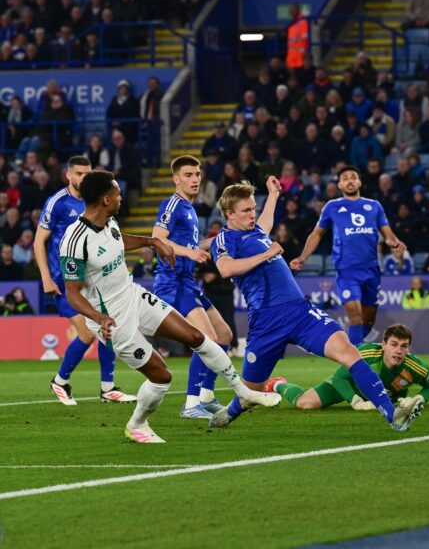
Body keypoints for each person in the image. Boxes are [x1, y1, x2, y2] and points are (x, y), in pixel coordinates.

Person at [59, 170, 280, 444]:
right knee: (162, 376)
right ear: (105, 199)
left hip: (133, 295)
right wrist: (98, 317)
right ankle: (137, 424)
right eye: (117, 193)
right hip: (111, 320)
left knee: (197, 337)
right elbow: (72, 294)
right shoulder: (75, 240)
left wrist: (152, 241)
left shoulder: (109, 221)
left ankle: (243, 392)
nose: (121, 196)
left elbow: (118, 240)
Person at [208, 179, 422, 433]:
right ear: (230, 214)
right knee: (249, 391)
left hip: (300, 312)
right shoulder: (224, 238)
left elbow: (265, 222)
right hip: (266, 322)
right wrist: (267, 254)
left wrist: (274, 195)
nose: (252, 214)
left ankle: (391, 414)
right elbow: (225, 268)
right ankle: (227, 414)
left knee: (348, 351)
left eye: (254, 208)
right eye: (246, 210)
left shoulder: (255, 231)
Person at [33, 155, 135, 405]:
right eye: (78, 173)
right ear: (68, 175)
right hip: (66, 281)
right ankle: (60, 381)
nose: (83, 177)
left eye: (87, 173)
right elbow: (39, 241)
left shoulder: (98, 201)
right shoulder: (57, 202)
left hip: (95, 279)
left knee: (106, 328)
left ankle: (108, 388)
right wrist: (46, 277)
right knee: (88, 333)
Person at [152, 155, 236, 419]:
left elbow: (189, 246)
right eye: (188, 175)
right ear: (175, 179)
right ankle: (191, 404)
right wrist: (190, 254)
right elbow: (157, 238)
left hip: (189, 282)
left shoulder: (191, 209)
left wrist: (213, 241)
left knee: (224, 336)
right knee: (207, 340)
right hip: (172, 281)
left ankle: (207, 396)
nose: (195, 179)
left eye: (198, 174)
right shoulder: (173, 204)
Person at [291, 165, 407, 345]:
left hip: (371, 270)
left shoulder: (374, 206)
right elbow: (317, 234)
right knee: (355, 316)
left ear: (360, 182)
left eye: (353, 177)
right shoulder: (332, 207)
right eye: (345, 178)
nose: (350, 180)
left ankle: (356, 347)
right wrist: (303, 257)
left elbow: (388, 235)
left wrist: (395, 242)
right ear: (339, 185)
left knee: (368, 320)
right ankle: (356, 365)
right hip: (347, 270)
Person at [270, 324, 429, 415]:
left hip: (377, 395)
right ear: (383, 345)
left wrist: (418, 398)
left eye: (404, 346)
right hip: (348, 385)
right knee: (304, 404)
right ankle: (278, 384)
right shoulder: (366, 354)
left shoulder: (415, 367)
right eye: (394, 345)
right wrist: (355, 401)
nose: (398, 351)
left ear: (409, 349)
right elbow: (339, 379)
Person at [286, 2, 310, 73]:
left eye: (292, 9)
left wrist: (306, 54)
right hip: (293, 59)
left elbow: (305, 38)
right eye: (290, 9)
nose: (290, 11)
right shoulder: (293, 24)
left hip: (301, 58)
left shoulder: (302, 22)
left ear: (297, 9)